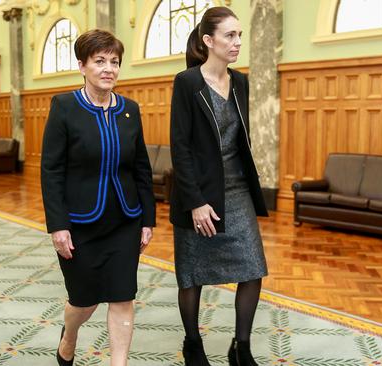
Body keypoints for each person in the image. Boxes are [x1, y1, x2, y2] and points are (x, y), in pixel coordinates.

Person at [40, 29, 156, 366]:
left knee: (122, 296)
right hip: (79, 224)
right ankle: (70, 335)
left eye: (115, 62)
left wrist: (147, 219)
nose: (109, 68)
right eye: (100, 61)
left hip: (124, 220)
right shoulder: (64, 107)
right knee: (84, 300)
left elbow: (141, 169)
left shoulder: (130, 109)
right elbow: (51, 171)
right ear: (82, 65)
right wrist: (58, 226)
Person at [169, 7, 269, 366]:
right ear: (208, 41)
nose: (237, 42)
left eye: (240, 35)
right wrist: (195, 202)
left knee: (253, 268)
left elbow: (240, 136)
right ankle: (192, 344)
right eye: (230, 35)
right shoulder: (187, 82)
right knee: (192, 272)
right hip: (197, 191)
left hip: (238, 189)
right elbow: (179, 147)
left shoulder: (240, 81)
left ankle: (240, 348)